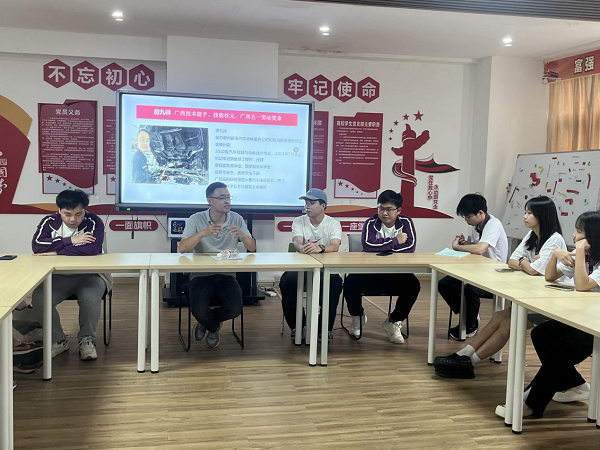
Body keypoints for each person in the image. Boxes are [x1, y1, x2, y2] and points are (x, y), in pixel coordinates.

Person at [434, 196, 566, 378]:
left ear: (542, 216)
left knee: (508, 322)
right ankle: (464, 354)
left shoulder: (554, 239)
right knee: (498, 316)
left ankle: (470, 362)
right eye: (525, 212)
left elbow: (533, 270)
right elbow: (513, 260)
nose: (525, 216)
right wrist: (526, 263)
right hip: (535, 294)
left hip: (552, 302)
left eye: (529, 213)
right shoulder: (532, 236)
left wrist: (525, 263)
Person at [496, 210, 600, 419]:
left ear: (592, 235)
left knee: (561, 349)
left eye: (579, 232)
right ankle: (574, 383)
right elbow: (550, 276)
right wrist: (555, 255)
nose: (574, 236)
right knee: (541, 334)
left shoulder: (587, 256)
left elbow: (582, 285)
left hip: (595, 327)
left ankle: (532, 402)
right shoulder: (585, 255)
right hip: (583, 319)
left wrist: (580, 251)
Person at [29, 189, 111, 361]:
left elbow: (92, 249)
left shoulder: (93, 221)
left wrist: (56, 251)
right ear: (59, 210)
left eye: (78, 214)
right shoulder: (49, 222)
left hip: (91, 275)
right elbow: (37, 246)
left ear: (85, 211)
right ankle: (58, 340)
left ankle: (87, 339)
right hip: (59, 276)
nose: (73, 219)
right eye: (67, 214)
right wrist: (71, 240)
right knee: (39, 297)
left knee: (90, 298)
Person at [178, 182, 256, 349]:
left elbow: (252, 248)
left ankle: (207, 322)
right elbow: (182, 248)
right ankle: (213, 327)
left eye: (228, 197)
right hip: (200, 274)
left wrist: (243, 235)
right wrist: (202, 233)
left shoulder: (236, 218)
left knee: (235, 309)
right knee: (199, 310)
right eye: (222, 198)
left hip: (227, 274)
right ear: (209, 200)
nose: (227, 201)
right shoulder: (196, 219)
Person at [343, 190, 419, 343]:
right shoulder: (370, 223)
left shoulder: (406, 222)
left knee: (413, 285)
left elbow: (410, 247)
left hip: (397, 273)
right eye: (381, 208)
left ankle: (393, 321)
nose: (384, 213)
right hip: (370, 272)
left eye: (389, 209)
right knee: (350, 282)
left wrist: (381, 247)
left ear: (398, 210)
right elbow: (368, 245)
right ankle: (358, 317)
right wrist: (395, 241)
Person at [438, 194, 509, 339]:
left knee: (470, 289)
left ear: (480, 213)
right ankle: (469, 315)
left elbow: (480, 249)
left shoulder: (493, 225)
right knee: (444, 284)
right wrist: (465, 243)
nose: (467, 220)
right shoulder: (477, 226)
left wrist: (457, 247)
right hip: (479, 270)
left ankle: (470, 325)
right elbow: (477, 246)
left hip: (495, 274)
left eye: (469, 217)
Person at [279, 188, 342, 342]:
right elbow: (297, 242)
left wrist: (320, 248)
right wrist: (302, 248)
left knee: (334, 283)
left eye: (312, 203)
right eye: (306, 202)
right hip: (301, 268)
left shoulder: (333, 223)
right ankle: (298, 326)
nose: (307, 206)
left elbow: (335, 246)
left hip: (325, 268)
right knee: (287, 282)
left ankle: (324, 328)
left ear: (323, 205)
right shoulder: (299, 221)